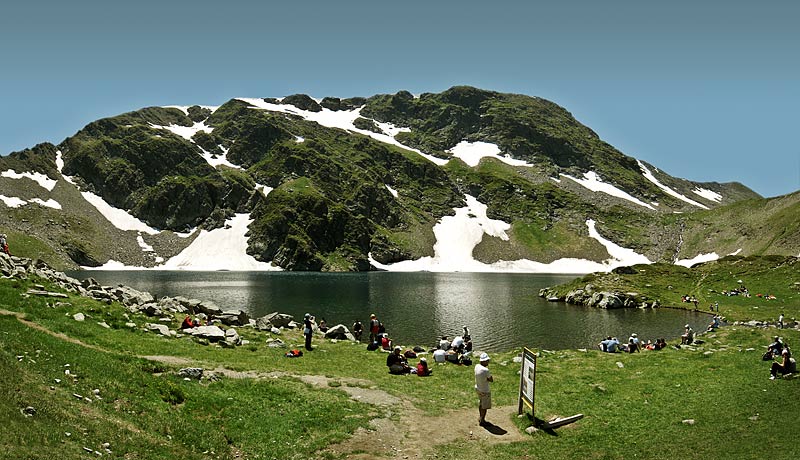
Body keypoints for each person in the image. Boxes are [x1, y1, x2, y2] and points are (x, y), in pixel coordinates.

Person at [474, 353, 494, 426]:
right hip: (485, 390)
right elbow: (491, 379)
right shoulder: (486, 370)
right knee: (484, 407)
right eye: (487, 360)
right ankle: (482, 421)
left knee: (481, 403)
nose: (488, 362)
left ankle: (480, 417)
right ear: (484, 361)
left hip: (478, 388)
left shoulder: (477, 366)